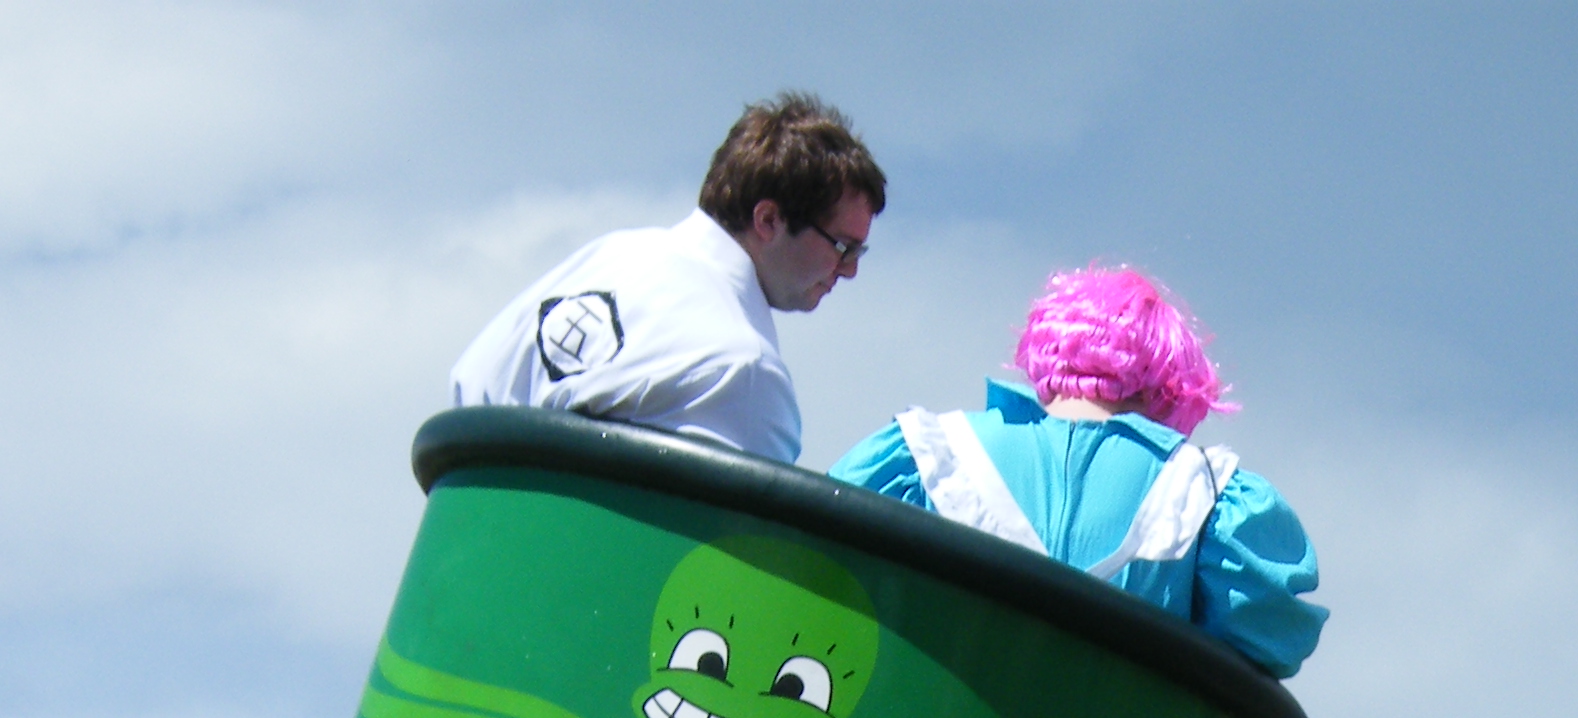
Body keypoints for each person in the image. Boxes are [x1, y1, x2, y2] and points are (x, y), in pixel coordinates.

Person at [829, 266, 1327, 677]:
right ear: (1165, 385)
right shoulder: (1210, 492)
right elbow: (1273, 639)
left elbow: (820, 568)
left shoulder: (924, 450)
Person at [450, 94, 885, 464]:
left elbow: (467, 392)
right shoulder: (744, 372)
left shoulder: (604, 258)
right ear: (769, 220)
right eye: (843, 247)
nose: (849, 270)